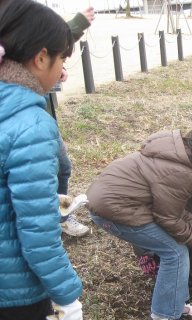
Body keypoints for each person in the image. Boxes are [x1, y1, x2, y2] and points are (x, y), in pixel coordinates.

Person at [0, 1, 84, 320]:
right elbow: (37, 233)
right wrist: (68, 294)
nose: (62, 71)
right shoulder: (31, 123)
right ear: (39, 58)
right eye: (61, 59)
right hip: (15, 282)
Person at [86, 122, 192, 320]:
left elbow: (174, 212)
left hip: (118, 202)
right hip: (114, 209)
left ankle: (176, 302)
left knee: (175, 248)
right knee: (175, 251)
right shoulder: (183, 172)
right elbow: (170, 220)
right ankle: (162, 318)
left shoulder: (180, 158)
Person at [50, 6, 96, 237]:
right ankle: (56, 218)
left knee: (62, 167)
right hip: (24, 119)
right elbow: (34, 42)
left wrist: (55, 68)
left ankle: (61, 215)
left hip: (41, 114)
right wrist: (75, 26)